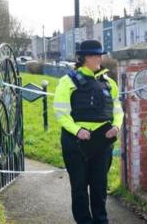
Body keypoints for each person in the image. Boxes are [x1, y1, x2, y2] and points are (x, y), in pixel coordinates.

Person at [53, 39, 124, 224]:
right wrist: (78, 131)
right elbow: (60, 113)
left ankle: (101, 221)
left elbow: (118, 110)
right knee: (79, 187)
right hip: (76, 143)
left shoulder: (109, 83)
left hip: (101, 143)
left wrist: (116, 127)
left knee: (100, 186)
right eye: (95, 54)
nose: (99, 57)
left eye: (100, 54)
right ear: (83, 57)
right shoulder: (67, 82)